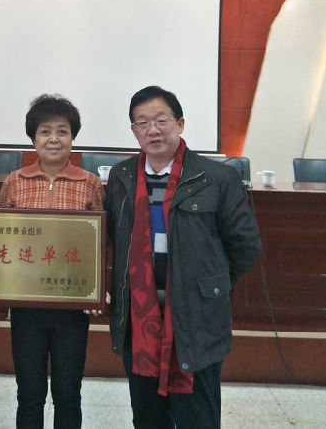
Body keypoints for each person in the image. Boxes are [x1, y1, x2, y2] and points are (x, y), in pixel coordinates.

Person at [104, 85, 262, 429]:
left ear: (180, 123)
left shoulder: (216, 177)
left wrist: (210, 284)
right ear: (134, 131)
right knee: (147, 418)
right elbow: (113, 239)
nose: (153, 130)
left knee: (198, 419)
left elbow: (245, 245)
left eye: (161, 120)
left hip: (196, 322)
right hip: (139, 324)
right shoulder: (122, 177)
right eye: (142, 122)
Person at [0, 94, 105, 429]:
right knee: (29, 393)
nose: (54, 139)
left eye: (62, 131)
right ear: (33, 138)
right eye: (45, 131)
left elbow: (100, 243)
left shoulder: (89, 183)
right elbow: (1, 240)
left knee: (68, 393)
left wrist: (97, 288)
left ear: (73, 137)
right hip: (26, 307)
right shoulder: (14, 182)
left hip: (71, 306)